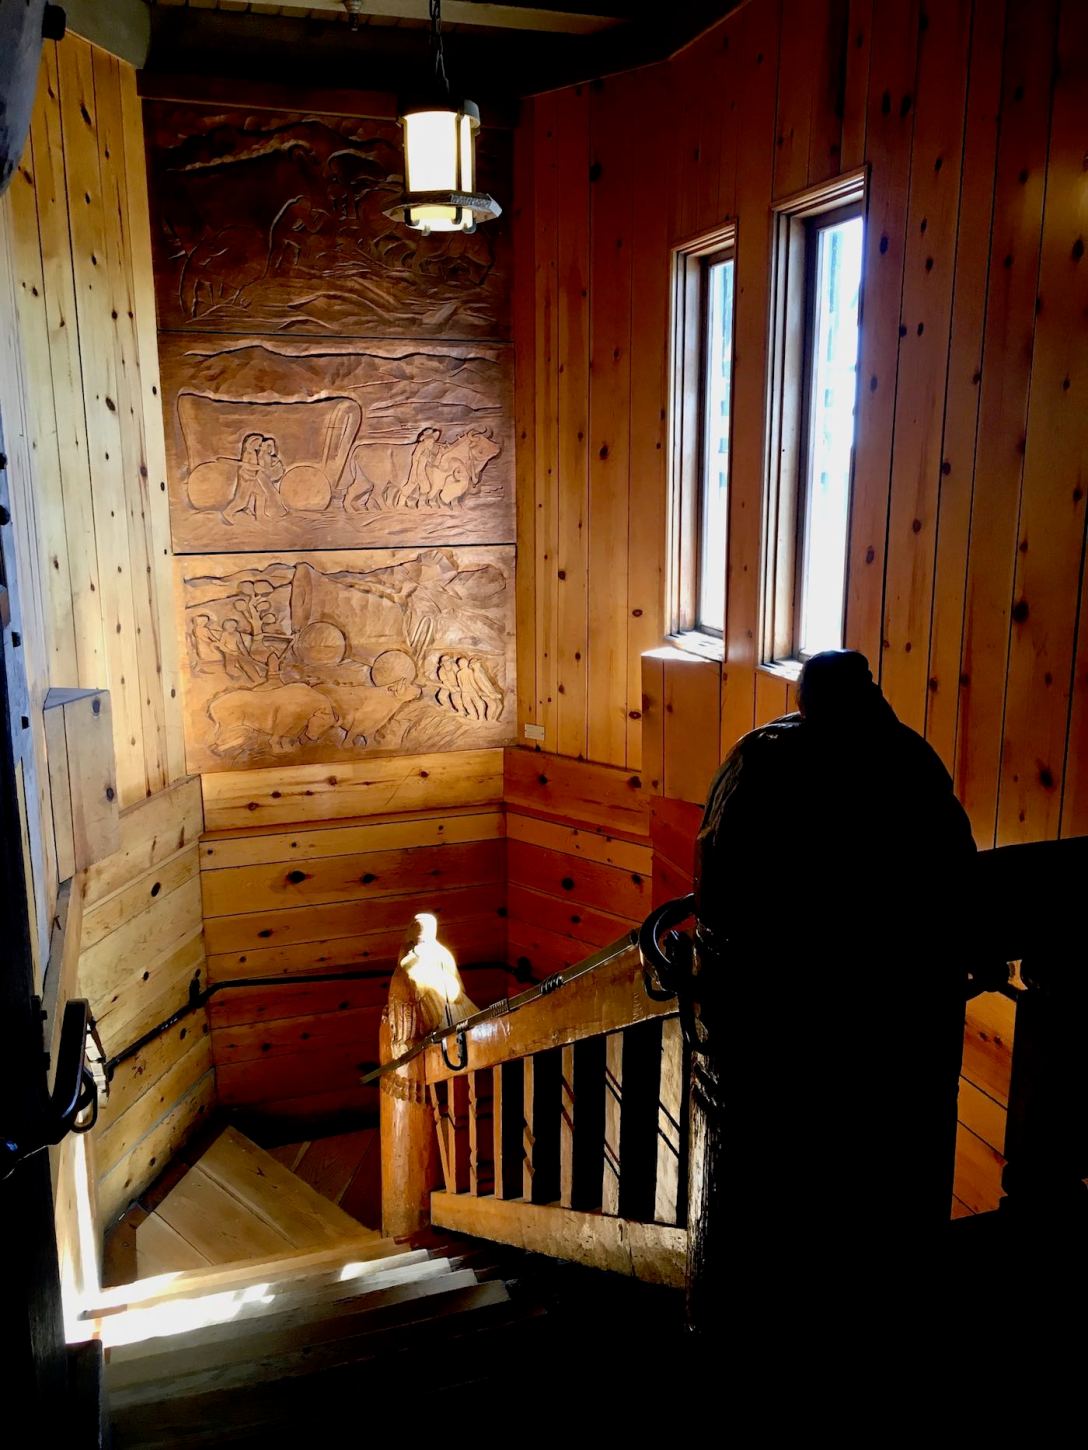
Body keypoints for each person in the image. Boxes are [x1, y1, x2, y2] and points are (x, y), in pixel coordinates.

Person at [690, 650, 977, 1320]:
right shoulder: (910, 762)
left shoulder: (760, 763)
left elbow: (723, 889)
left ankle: (748, 1314)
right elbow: (956, 871)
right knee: (883, 1201)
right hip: (901, 1031)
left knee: (774, 1200)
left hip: (780, 1033)